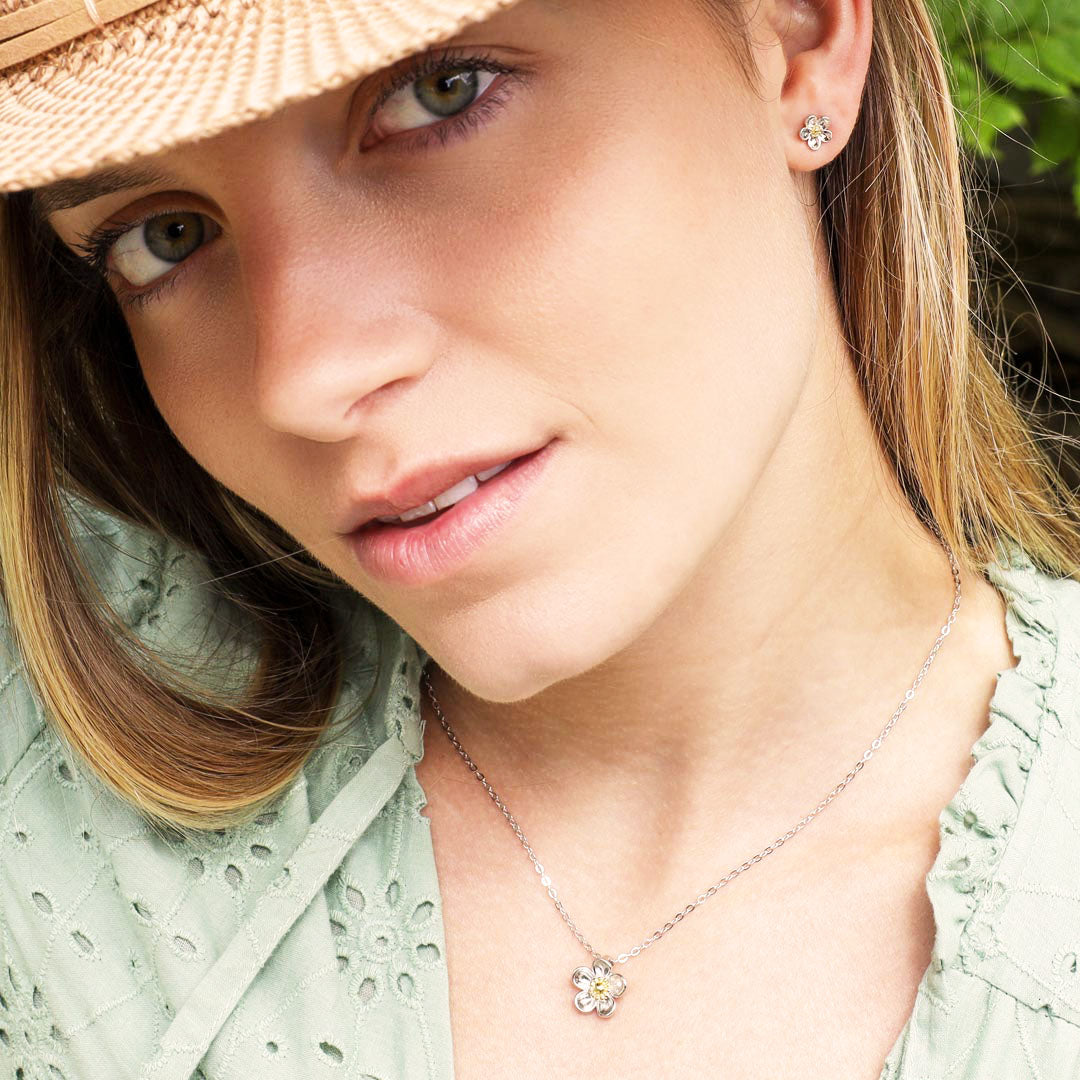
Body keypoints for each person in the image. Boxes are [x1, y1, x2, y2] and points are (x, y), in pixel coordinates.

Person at [2, 0, 1080, 1076]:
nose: (304, 379)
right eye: (164, 236)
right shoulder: (47, 812)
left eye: (442, 94)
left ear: (796, 39)